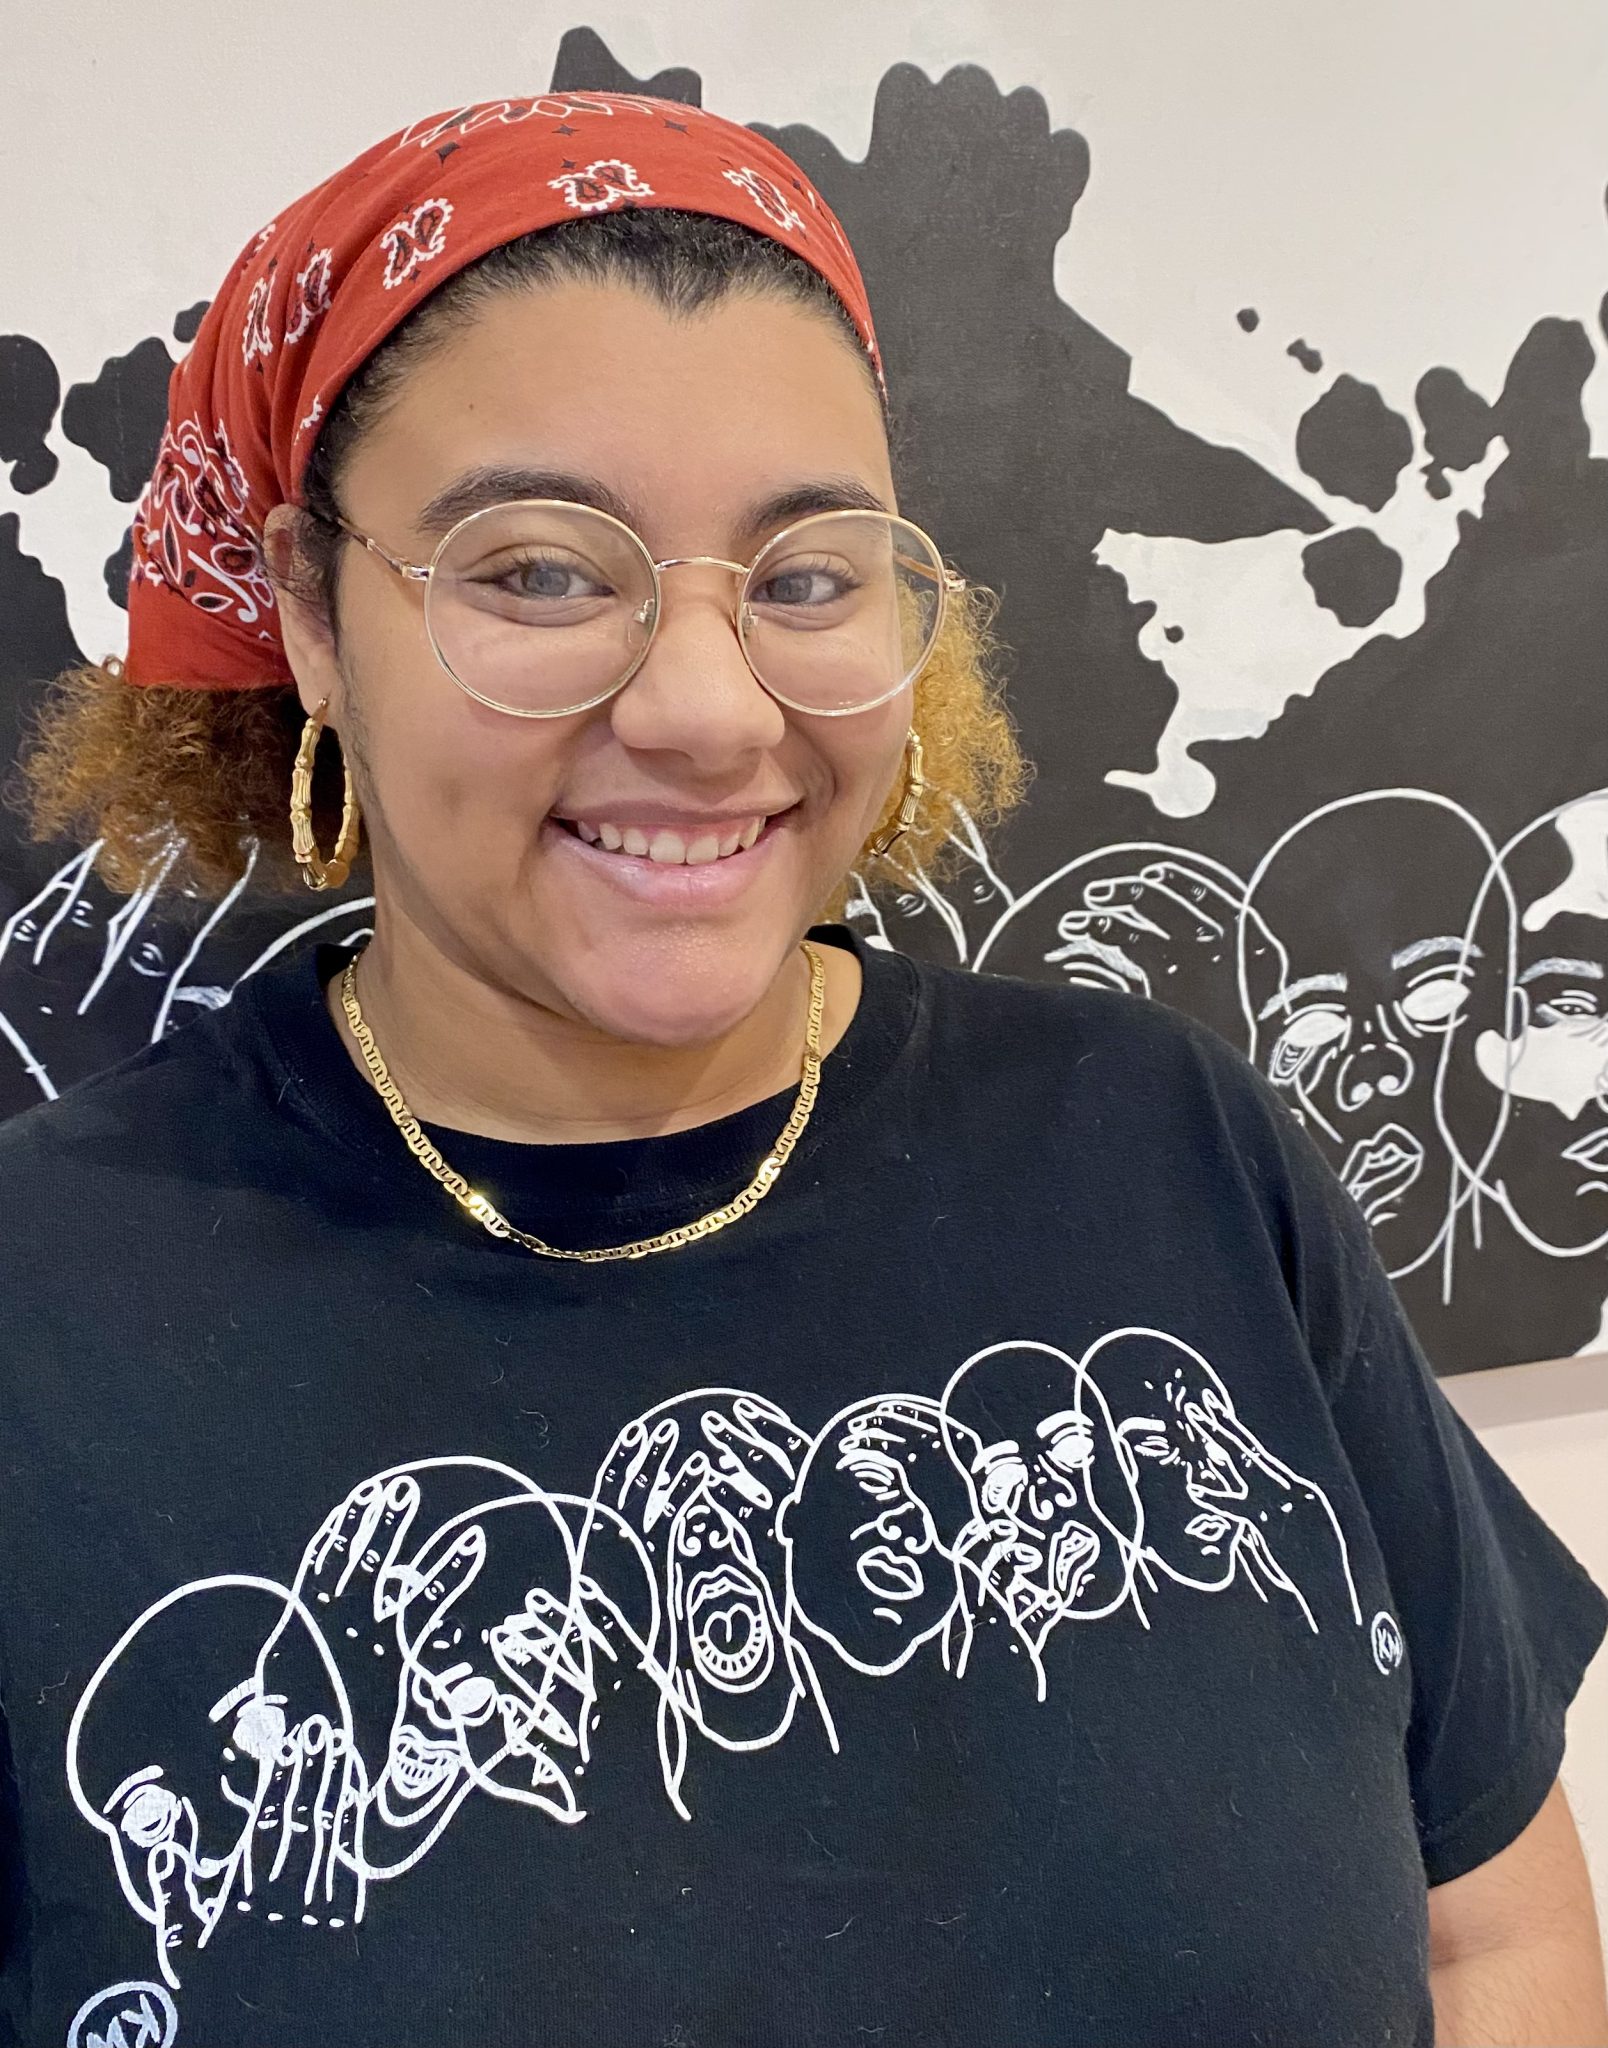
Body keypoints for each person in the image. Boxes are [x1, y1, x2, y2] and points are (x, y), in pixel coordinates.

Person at [0, 91, 1603, 2048]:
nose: (705, 705)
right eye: (540, 572)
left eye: (804, 575)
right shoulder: (43, 1311)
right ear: (316, 617)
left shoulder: (1171, 1145)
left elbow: (1493, 1940)